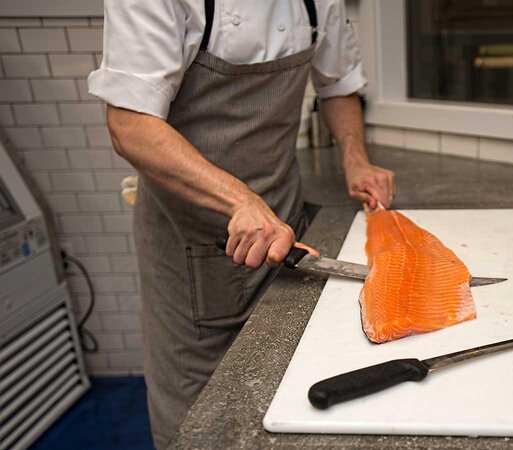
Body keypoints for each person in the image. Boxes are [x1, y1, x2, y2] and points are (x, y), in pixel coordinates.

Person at [87, 0, 395, 447]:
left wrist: (356, 159)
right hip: (188, 246)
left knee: (289, 394)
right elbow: (129, 125)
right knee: (200, 420)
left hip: (284, 230)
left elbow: (338, 85)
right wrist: (240, 201)